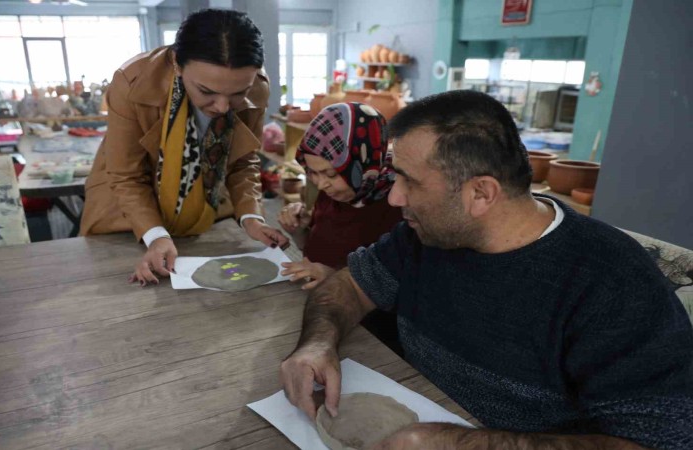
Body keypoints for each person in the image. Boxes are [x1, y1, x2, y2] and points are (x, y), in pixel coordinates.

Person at [279, 90, 693, 449]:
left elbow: (660, 441)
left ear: (480, 193)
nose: (394, 198)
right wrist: (317, 343)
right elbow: (350, 286)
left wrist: (460, 444)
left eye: (409, 182)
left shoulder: (614, 284)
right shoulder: (423, 235)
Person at [80, 9, 288, 286]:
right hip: (127, 218)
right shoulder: (133, 81)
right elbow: (126, 175)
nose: (222, 107)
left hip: (205, 215)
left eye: (238, 94)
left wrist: (251, 218)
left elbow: (242, 160)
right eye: (207, 91)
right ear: (177, 64)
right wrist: (155, 235)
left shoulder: (257, 87)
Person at [277, 102, 402, 290]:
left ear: (362, 163)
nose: (321, 184)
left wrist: (336, 278)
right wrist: (299, 231)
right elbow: (317, 251)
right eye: (313, 172)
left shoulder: (397, 205)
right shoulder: (334, 192)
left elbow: (396, 287)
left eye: (331, 174)